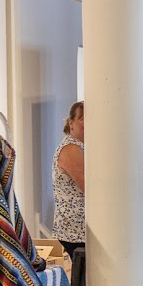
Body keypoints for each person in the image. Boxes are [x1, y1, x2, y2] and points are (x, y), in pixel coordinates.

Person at [53, 101, 85, 255]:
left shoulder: (81, 146)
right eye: (83, 119)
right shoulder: (71, 148)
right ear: (71, 123)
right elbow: (89, 186)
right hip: (76, 230)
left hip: (80, 229)